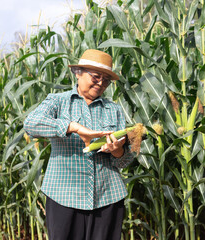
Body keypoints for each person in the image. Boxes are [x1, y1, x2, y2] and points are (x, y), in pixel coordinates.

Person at [24, 49, 134, 240]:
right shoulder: (57, 102)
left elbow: (125, 161)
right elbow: (31, 123)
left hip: (107, 197)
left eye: (106, 80)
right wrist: (72, 127)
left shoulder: (114, 110)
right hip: (64, 195)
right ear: (78, 73)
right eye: (96, 76)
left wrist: (117, 151)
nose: (101, 83)